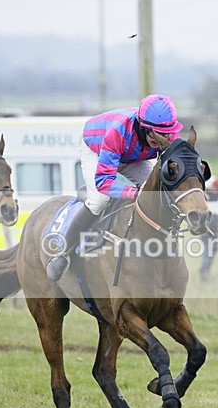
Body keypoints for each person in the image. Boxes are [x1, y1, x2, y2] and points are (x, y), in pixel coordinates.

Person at [45, 94, 183, 281]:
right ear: (143, 128)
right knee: (99, 200)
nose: (161, 139)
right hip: (97, 148)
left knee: (156, 193)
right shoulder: (118, 131)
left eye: (166, 134)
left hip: (131, 155)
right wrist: (134, 193)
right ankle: (62, 253)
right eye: (157, 134)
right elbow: (104, 182)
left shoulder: (168, 135)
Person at [199, 175, 218, 282]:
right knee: (209, 252)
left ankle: (205, 270)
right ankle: (204, 270)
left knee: (210, 251)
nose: (215, 190)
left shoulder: (216, 199)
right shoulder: (207, 199)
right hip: (208, 230)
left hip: (215, 231)